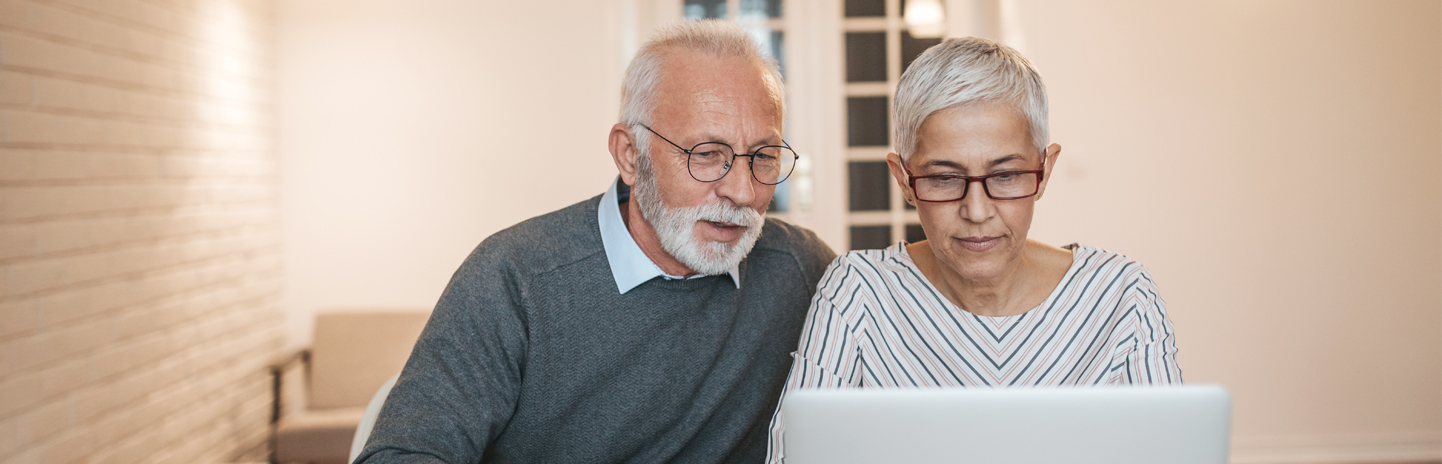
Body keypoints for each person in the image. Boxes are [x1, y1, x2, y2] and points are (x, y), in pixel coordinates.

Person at [355, 20, 835, 464]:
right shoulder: (515, 280)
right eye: (707, 154)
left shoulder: (799, 268)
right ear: (630, 155)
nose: (743, 192)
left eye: (764, 157)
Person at [765, 37, 1183, 462]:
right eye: (944, 179)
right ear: (904, 179)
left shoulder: (1121, 295)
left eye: (1006, 175)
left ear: (1044, 170)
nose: (977, 211)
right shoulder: (858, 290)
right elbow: (792, 455)